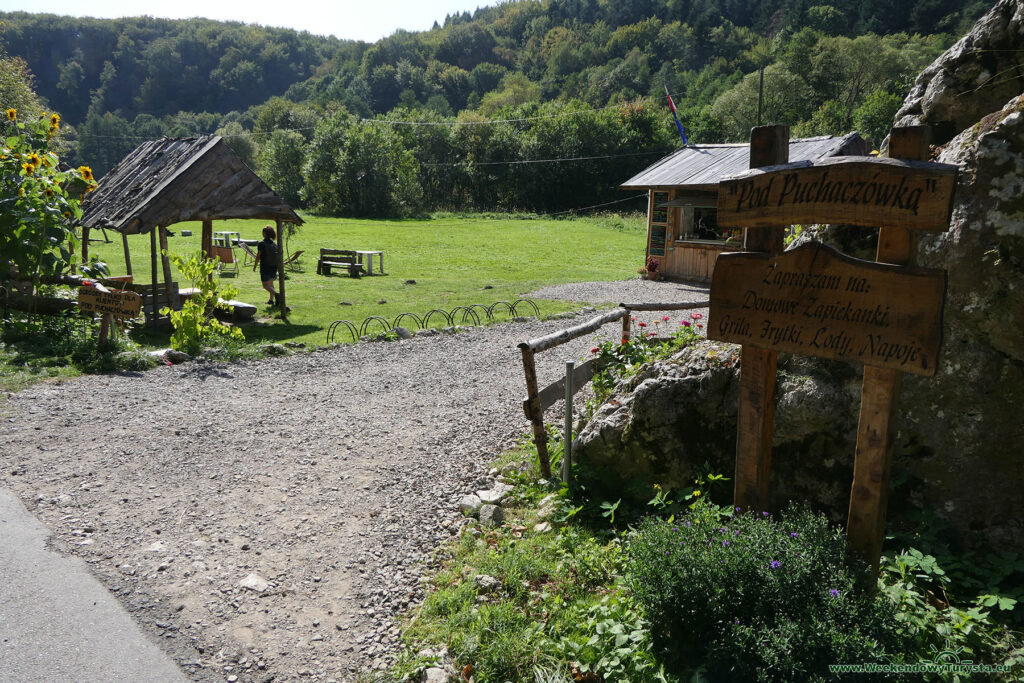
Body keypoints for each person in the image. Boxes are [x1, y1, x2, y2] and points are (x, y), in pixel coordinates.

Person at [253, 225, 279, 305]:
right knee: (271, 284)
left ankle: (277, 295)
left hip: (265, 266)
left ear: (264, 233)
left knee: (265, 285)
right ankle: (271, 300)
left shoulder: (261, 243)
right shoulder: (274, 244)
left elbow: (258, 255)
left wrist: (255, 265)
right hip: (274, 267)